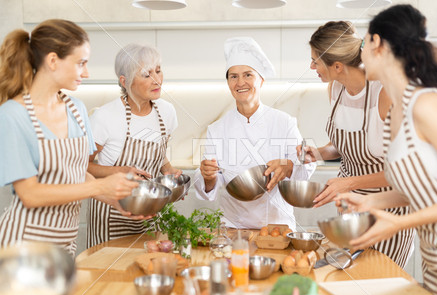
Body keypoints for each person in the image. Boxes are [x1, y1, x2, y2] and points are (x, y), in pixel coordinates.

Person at [336, 4, 437, 295]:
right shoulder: (398, 112)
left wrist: (399, 222)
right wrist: (368, 200)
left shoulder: (426, 105)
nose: (359, 54)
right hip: (436, 264)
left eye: (363, 43)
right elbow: (427, 188)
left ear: (377, 44)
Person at [0, 19, 139, 257]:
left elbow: (76, 171)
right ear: (53, 60)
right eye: (81, 63)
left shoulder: (76, 109)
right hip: (22, 245)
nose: (86, 72)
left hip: (64, 243)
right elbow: (30, 194)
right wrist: (100, 185)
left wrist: (115, 200)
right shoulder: (12, 115)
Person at [297, 21, 415, 268]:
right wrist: (318, 153)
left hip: (389, 211)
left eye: (315, 61)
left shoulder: (384, 94)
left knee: (379, 284)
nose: (311, 67)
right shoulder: (335, 89)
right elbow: (344, 146)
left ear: (337, 66)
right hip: (351, 211)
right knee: (353, 284)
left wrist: (349, 182)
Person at [194, 37, 315, 231]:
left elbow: (305, 168)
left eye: (248, 75)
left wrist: (289, 165)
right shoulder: (216, 129)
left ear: (261, 80)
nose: (240, 82)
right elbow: (209, 188)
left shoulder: (284, 122)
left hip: (277, 226)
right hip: (233, 228)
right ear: (228, 83)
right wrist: (208, 177)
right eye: (233, 76)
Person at [87, 43, 181, 247]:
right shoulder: (105, 116)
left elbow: (159, 152)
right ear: (125, 81)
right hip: (111, 214)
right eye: (146, 75)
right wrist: (120, 171)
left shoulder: (167, 112)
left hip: (149, 213)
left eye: (158, 71)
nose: (157, 80)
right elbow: (82, 166)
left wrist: (168, 169)